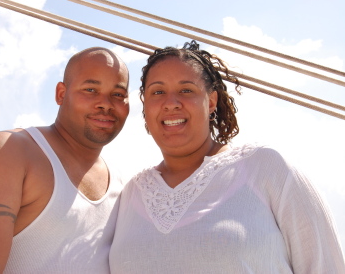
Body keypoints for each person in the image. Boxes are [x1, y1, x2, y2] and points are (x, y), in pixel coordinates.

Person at [109, 40, 345, 273]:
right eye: (158, 92)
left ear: (211, 102)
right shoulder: (130, 194)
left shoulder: (266, 169)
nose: (171, 103)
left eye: (186, 90)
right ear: (145, 105)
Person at [0, 47, 130, 273]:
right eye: (91, 89)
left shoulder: (125, 185)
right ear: (61, 94)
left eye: (118, 94)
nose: (106, 103)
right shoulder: (7, 152)